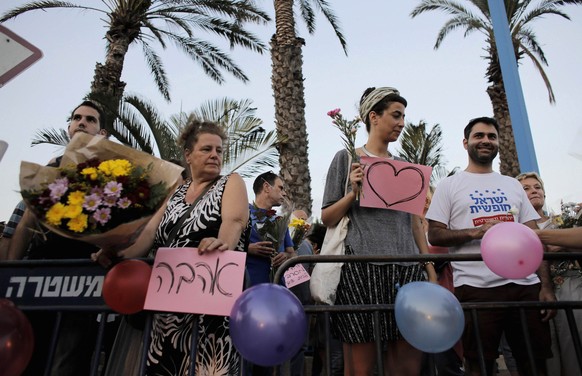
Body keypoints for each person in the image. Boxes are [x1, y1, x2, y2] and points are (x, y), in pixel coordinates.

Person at [96, 119, 250, 375]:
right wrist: (116, 253)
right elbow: (148, 234)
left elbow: (234, 221)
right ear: (188, 155)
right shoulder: (175, 194)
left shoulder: (231, 182)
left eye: (219, 150)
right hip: (166, 313)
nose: (215, 155)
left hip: (209, 311)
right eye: (207, 149)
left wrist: (223, 243)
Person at [426, 116, 556, 376]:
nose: (486, 140)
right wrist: (477, 231)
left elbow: (534, 237)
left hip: (525, 287)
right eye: (479, 136)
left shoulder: (512, 185)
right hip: (475, 288)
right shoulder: (449, 185)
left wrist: (546, 287)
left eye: (491, 136)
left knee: (535, 362)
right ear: (466, 143)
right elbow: (435, 235)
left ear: (497, 143)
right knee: (479, 365)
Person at [321, 86, 437, 375]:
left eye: (403, 116)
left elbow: (413, 223)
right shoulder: (346, 159)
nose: (401, 122)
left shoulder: (407, 168)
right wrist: (352, 193)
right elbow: (326, 217)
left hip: (407, 270)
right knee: (360, 367)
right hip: (361, 269)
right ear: (374, 116)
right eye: (396, 115)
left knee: (408, 364)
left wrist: (429, 268)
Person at [7, 100, 112, 376]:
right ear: (69, 127)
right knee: (31, 357)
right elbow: (27, 222)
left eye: (90, 119)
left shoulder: (113, 173)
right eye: (77, 117)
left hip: (82, 274)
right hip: (39, 271)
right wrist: (11, 272)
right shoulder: (51, 166)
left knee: (66, 361)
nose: (82, 122)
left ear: (102, 134)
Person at [517, 172, 582, 376]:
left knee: (575, 344)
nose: (533, 190)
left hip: (570, 288)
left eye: (537, 186)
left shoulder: (564, 221)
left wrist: (562, 244)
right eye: (525, 188)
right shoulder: (514, 228)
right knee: (547, 354)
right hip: (532, 294)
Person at [247, 171, 295, 287]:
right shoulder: (242, 214)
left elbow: (292, 254)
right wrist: (248, 249)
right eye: (281, 188)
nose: (284, 193)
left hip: (278, 288)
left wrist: (286, 256)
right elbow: (226, 245)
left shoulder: (280, 220)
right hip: (249, 288)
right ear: (267, 187)